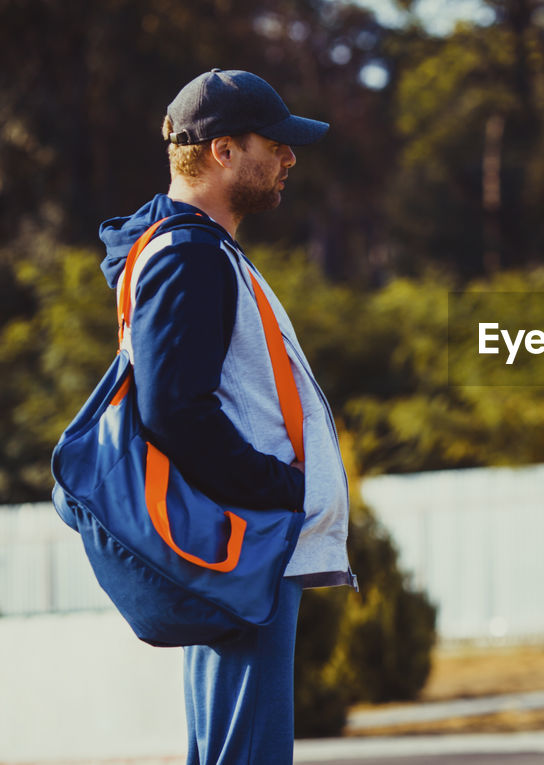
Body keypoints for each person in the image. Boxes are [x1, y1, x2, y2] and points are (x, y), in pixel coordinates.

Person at [97, 69, 355, 764]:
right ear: (222, 152)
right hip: (248, 546)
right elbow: (174, 411)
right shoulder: (190, 256)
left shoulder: (192, 250)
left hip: (241, 546)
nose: (289, 158)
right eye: (275, 143)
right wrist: (283, 493)